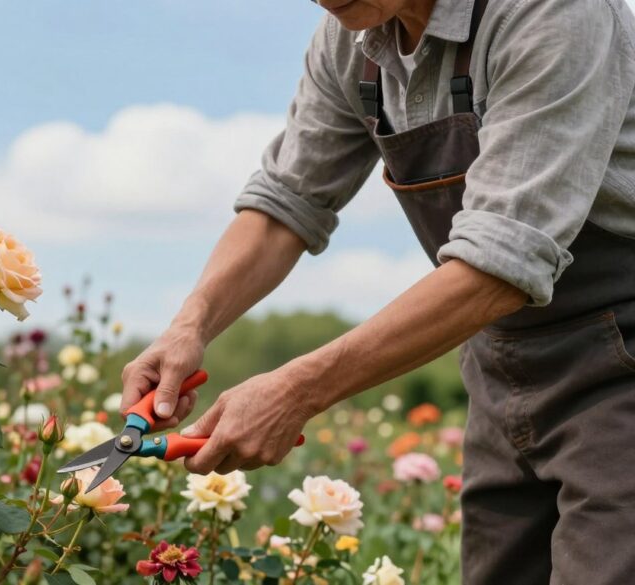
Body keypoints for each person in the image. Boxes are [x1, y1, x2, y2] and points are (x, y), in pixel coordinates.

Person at [119, 0, 635, 582]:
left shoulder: (553, 12)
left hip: (620, 363)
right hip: (497, 363)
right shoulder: (353, 36)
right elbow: (285, 204)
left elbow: (501, 264)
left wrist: (298, 389)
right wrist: (190, 325)